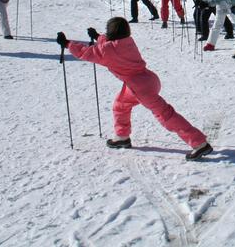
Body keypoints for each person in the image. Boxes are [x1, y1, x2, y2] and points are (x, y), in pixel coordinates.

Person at [57, 17, 213, 160]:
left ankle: (199, 143)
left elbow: (85, 52)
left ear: (111, 32)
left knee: (166, 116)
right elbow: (109, 45)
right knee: (120, 105)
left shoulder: (107, 50)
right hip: (147, 80)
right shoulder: (127, 41)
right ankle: (122, 137)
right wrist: (98, 36)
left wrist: (67, 43)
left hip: (140, 88)